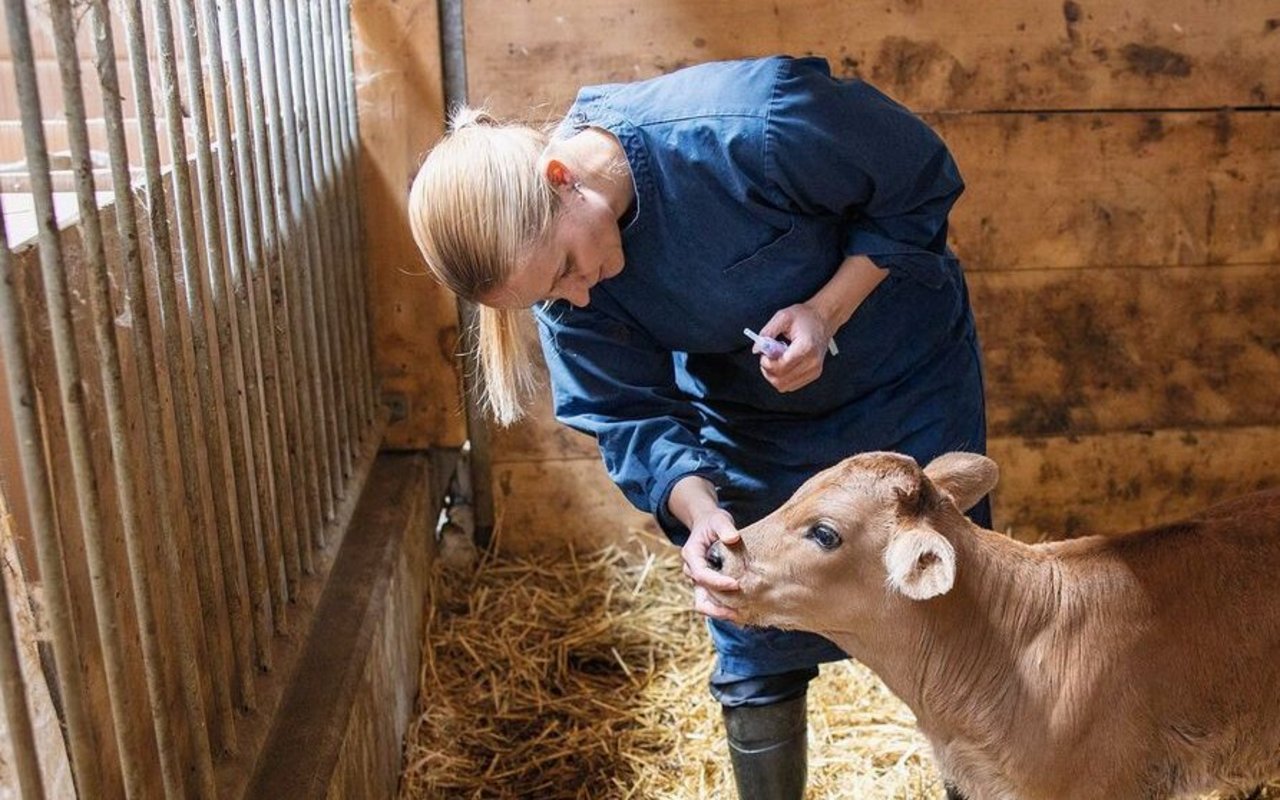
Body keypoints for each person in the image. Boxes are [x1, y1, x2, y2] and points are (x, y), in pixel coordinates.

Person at [408, 55, 989, 800]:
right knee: (746, 622)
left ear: (561, 178)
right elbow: (627, 413)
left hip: (901, 381)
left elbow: (917, 181)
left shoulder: (753, 124)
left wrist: (826, 311)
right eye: (553, 294)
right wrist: (700, 510)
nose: (578, 299)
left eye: (564, 269)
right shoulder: (566, 290)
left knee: (943, 614)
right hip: (750, 422)